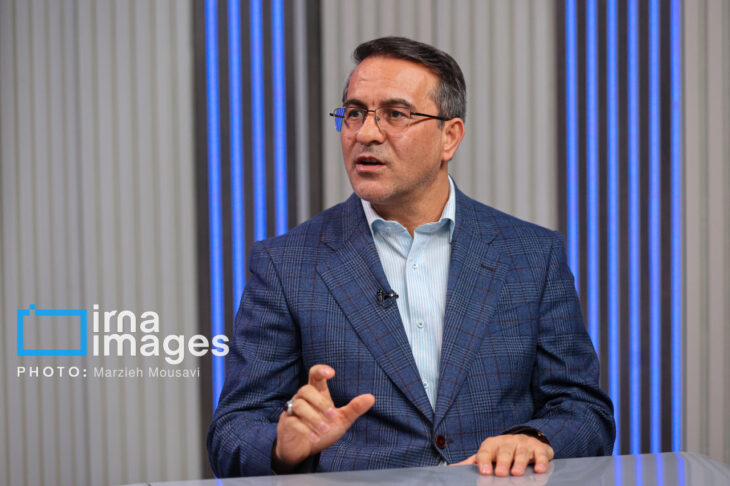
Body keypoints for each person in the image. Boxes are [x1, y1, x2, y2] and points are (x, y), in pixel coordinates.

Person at [207, 36, 615, 478]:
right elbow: (233, 432)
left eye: (396, 114)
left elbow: (585, 411)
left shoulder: (532, 255)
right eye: (354, 113)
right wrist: (282, 447)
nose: (366, 133)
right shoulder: (285, 264)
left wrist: (534, 438)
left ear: (449, 137)